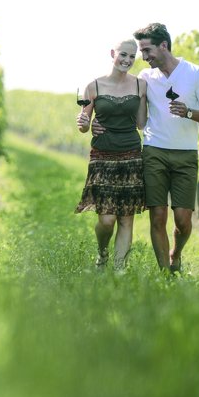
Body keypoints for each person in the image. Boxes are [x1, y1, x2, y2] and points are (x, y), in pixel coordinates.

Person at [94, 23, 199, 274]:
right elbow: (122, 104)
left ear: (164, 46)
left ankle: (176, 254)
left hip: (185, 154)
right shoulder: (145, 79)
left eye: (147, 50)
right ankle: (165, 274)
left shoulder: (195, 73)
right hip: (153, 151)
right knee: (158, 217)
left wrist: (189, 112)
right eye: (141, 51)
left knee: (183, 221)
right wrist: (98, 120)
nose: (144, 57)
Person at [75, 38, 147, 270]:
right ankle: (102, 252)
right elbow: (83, 126)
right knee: (107, 220)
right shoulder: (93, 87)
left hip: (132, 154)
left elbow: (141, 123)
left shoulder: (140, 86)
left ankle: (120, 270)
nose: (127, 60)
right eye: (123, 54)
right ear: (112, 54)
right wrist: (85, 122)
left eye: (131, 56)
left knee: (126, 218)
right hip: (102, 156)